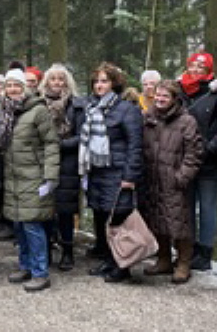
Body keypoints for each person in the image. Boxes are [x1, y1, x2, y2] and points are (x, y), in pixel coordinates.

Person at [81, 63, 144, 284]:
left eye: (104, 81)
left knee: (117, 219)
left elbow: (135, 145)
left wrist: (130, 176)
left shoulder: (127, 109)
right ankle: (108, 260)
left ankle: (122, 264)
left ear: (114, 84)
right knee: (100, 217)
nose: (99, 85)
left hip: (118, 173)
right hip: (97, 172)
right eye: (97, 81)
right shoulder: (94, 108)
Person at [1, 69, 59, 291]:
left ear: (25, 88)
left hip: (34, 177)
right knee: (19, 225)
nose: (13, 89)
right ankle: (25, 266)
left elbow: (51, 143)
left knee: (33, 226)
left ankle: (40, 272)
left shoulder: (38, 111)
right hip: (14, 177)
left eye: (17, 85)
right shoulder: (5, 111)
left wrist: (51, 176)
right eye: (9, 86)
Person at [141, 81, 203, 283]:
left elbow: (194, 153)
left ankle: (184, 262)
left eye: (165, 96)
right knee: (157, 218)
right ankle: (164, 259)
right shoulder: (149, 117)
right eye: (158, 95)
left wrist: (182, 176)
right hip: (152, 177)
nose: (159, 99)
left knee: (179, 222)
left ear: (175, 99)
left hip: (174, 180)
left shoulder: (186, 121)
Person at [178, 52, 217, 271]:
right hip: (183, 159)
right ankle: (187, 249)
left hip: (209, 161)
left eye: (201, 67)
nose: (196, 70)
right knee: (186, 207)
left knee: (208, 207)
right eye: (193, 65)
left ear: (209, 70)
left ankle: (205, 252)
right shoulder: (179, 90)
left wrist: (211, 148)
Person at [39, 63, 85, 271]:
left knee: (66, 210)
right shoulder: (38, 104)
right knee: (45, 208)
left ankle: (67, 250)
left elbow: (82, 136)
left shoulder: (77, 105)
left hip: (68, 162)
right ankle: (46, 248)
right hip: (43, 162)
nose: (57, 83)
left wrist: (57, 144)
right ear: (46, 82)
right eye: (53, 79)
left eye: (61, 79)